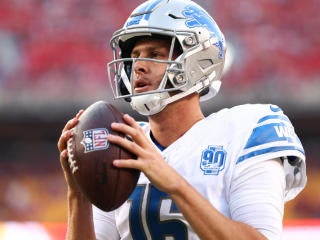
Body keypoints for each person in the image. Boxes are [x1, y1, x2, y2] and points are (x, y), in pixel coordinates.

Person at [57, 0, 307, 239]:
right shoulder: (119, 146)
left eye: (154, 53)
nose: (139, 66)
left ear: (196, 63)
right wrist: (78, 195)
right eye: (134, 56)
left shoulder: (247, 132)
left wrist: (173, 182)